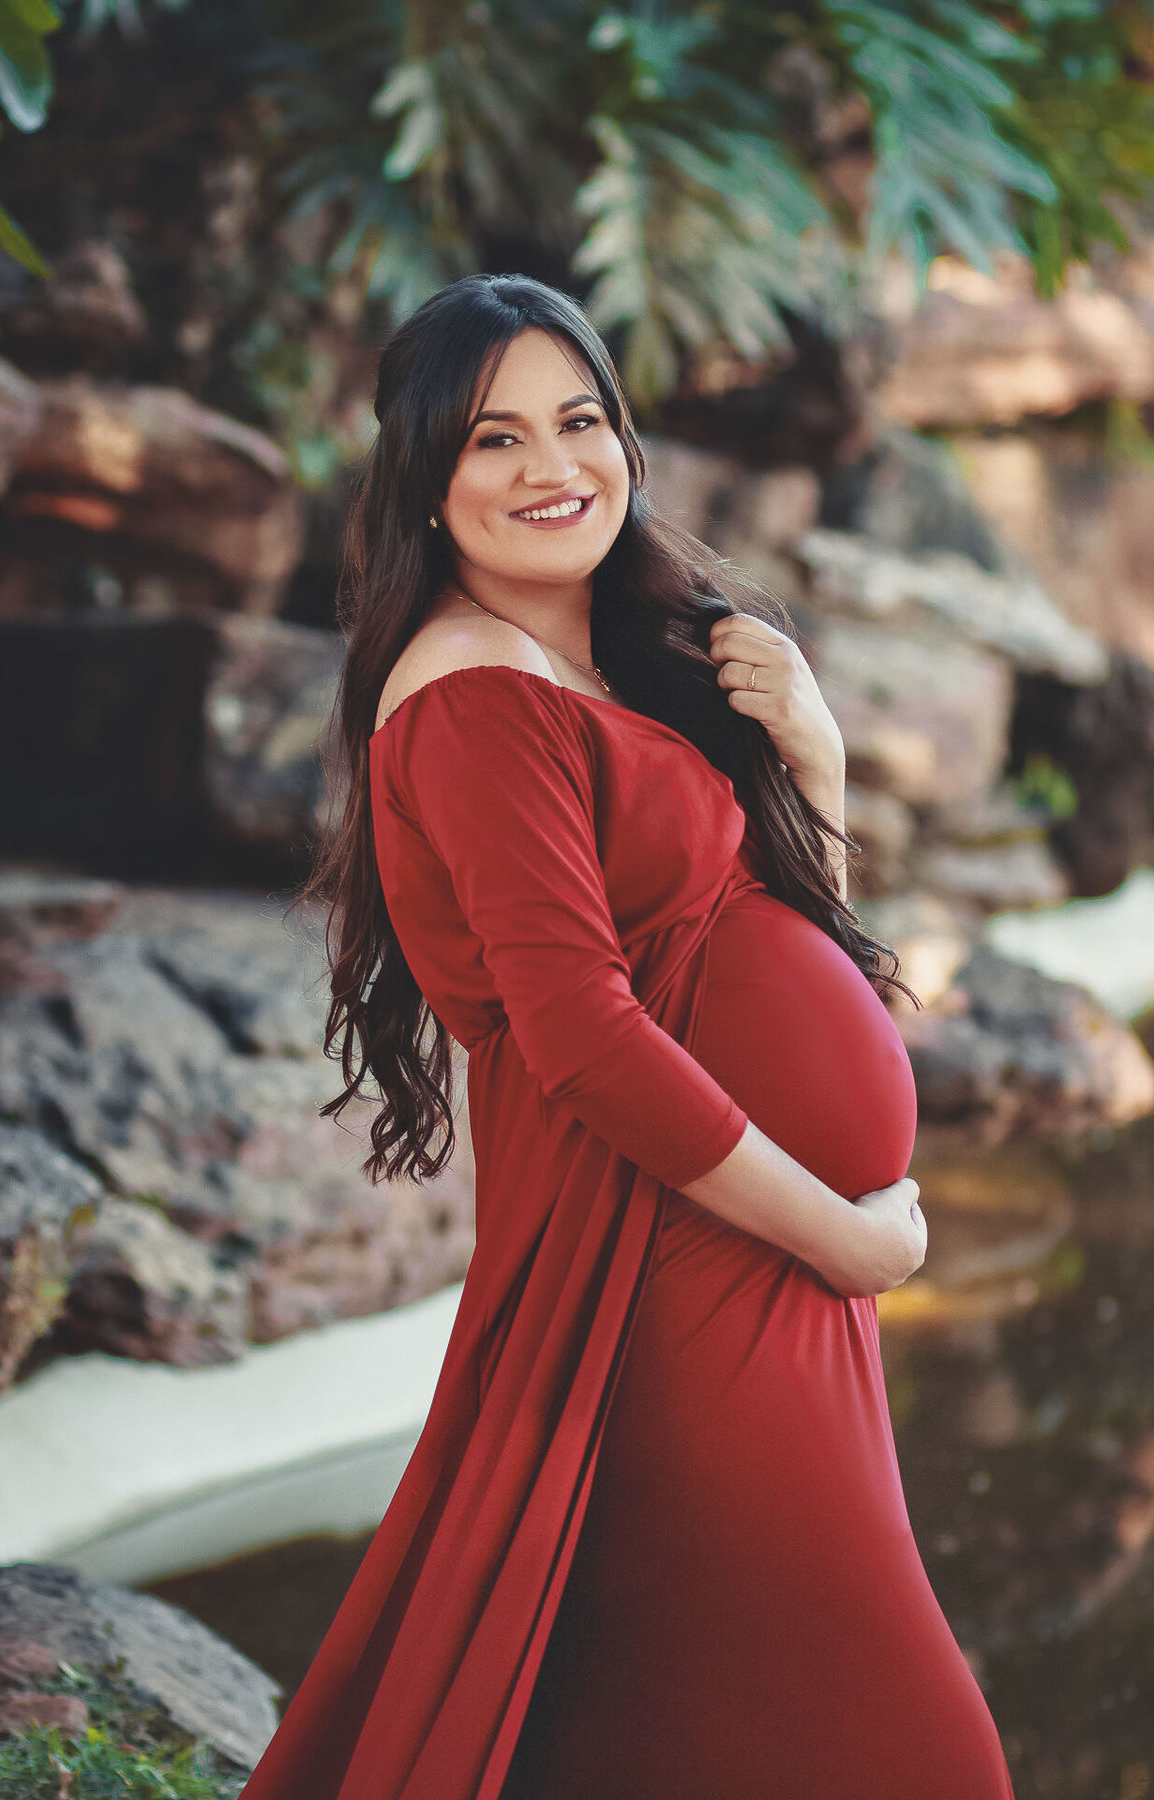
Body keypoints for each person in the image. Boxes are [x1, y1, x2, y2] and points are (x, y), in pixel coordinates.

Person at [239, 273, 1015, 1800]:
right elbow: (584, 1037)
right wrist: (845, 1242)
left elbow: (755, 948)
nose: (553, 467)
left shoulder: (608, 663)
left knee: (697, 1726)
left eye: (580, 421)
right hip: (668, 1268)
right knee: (904, 1743)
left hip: (757, 1249)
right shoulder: (472, 697)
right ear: (427, 484)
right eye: (494, 440)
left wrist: (819, 760)